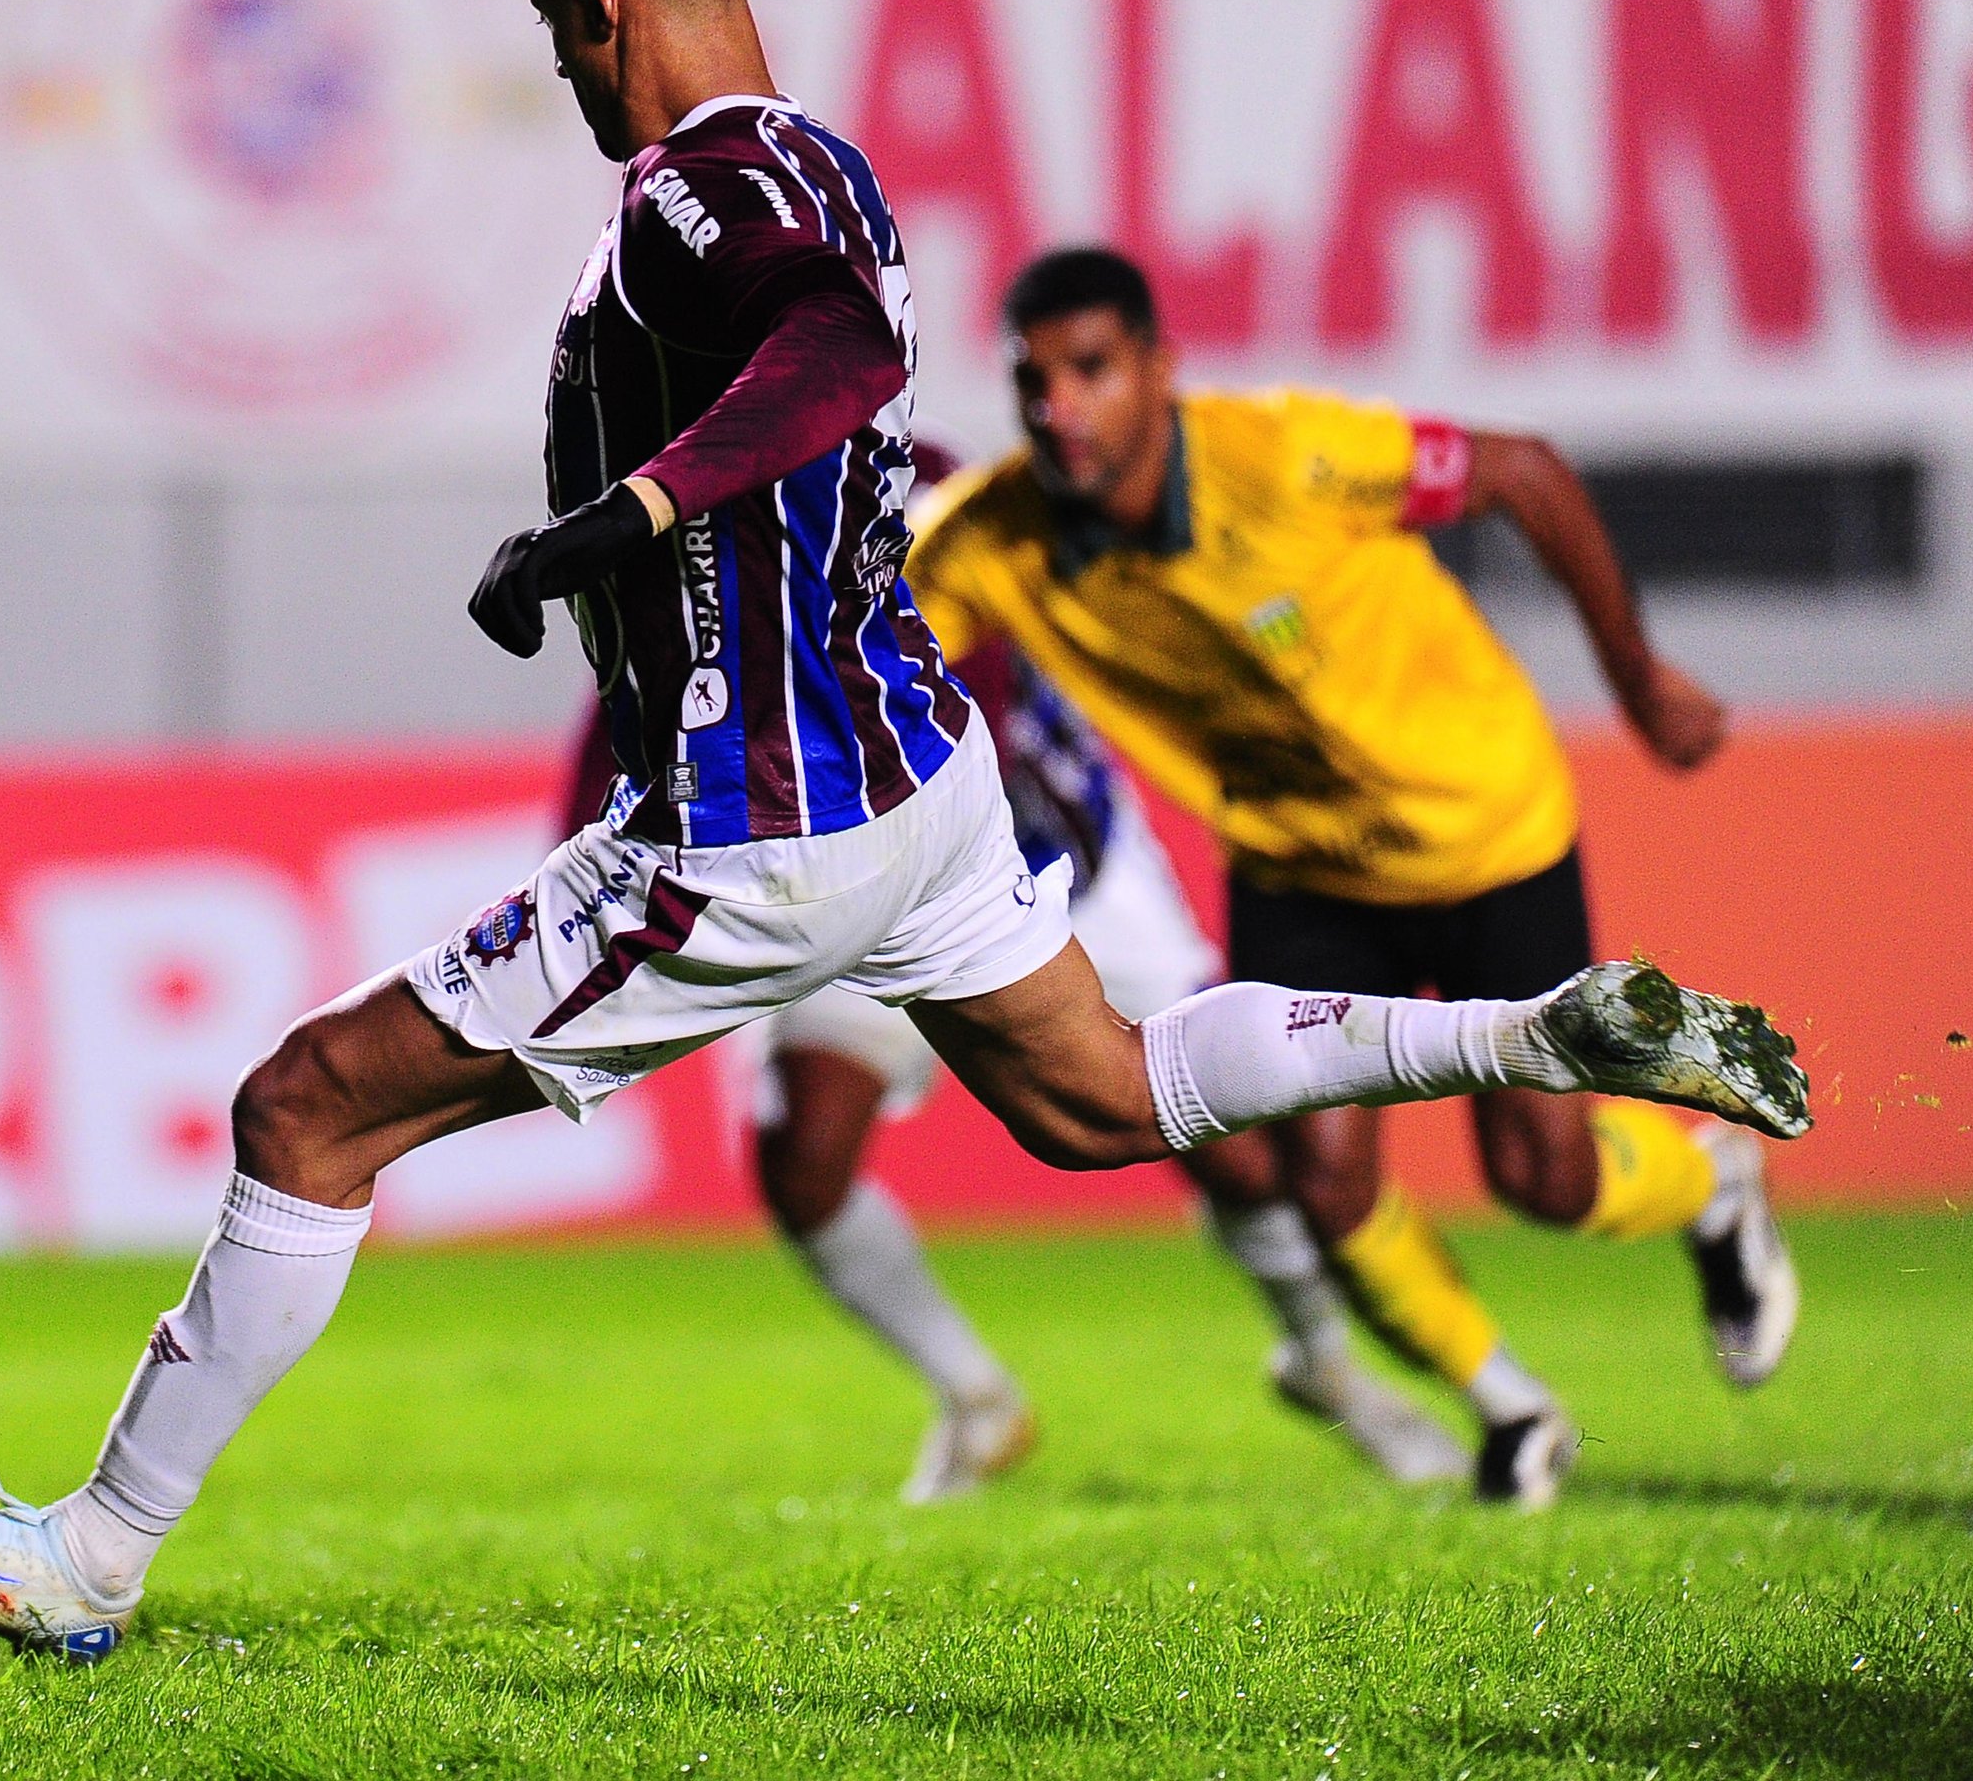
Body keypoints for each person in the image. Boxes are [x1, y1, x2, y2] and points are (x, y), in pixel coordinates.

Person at [0, 0, 1809, 1659]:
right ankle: (1527, 1034)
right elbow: (838, 360)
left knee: (303, 1112)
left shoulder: (699, 181)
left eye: (560, 40)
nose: (569, 79)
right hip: (914, 785)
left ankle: (88, 1558)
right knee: (1100, 1097)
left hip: (757, 823)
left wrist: (618, 517)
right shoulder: (817, 166)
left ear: (603, 3)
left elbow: (835, 351)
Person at [903, 245, 1803, 1508]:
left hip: (1478, 830)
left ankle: (1713, 1187)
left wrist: (1638, 678)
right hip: (1299, 864)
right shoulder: (987, 539)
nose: (1060, 409)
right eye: (1032, 381)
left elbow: (1524, 472)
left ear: (1159, 370)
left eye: (1091, 370)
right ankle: (1510, 1407)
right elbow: (862, 656)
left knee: (1544, 1179)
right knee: (1321, 1183)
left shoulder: (1291, 456)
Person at [566, 530, 1463, 1503]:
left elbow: (963, 671)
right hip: (856, 871)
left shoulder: (894, 482)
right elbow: (623, 721)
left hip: (1054, 856)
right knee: (803, 1148)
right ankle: (976, 1398)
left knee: (1227, 1142)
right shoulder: (682, 525)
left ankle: (1324, 1361)